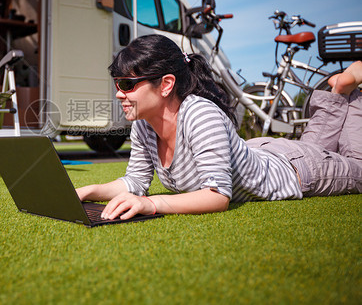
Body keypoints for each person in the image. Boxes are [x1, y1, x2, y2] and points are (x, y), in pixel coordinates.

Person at [76, 34, 362, 219]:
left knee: (356, 166)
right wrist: (87, 191)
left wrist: (153, 204)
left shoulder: (200, 114)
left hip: (299, 172)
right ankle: (338, 90)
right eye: (117, 84)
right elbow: (135, 182)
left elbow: (217, 196)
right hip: (262, 151)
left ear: (165, 85)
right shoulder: (144, 124)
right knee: (316, 145)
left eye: (127, 85)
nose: (118, 94)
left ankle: (348, 89)